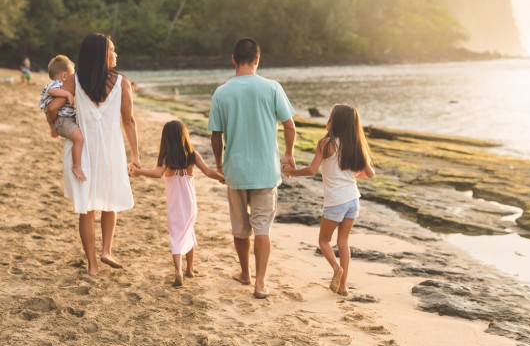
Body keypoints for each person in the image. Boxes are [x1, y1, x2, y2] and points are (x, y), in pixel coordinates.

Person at [208, 37, 296, 299]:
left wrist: (218, 163)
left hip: (236, 170)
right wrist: (289, 154)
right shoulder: (272, 88)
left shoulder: (222, 92)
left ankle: (244, 273)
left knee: (240, 228)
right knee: (262, 229)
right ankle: (260, 283)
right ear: (258, 59)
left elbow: (216, 135)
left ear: (233, 59)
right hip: (266, 171)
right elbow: (290, 126)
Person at [47, 34, 140, 276]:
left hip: (83, 150)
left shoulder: (75, 81)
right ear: (102, 54)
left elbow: (53, 108)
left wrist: (56, 127)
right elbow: (128, 120)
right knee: (110, 201)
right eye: (112, 50)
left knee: (86, 208)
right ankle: (106, 250)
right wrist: (136, 155)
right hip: (111, 150)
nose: (116, 54)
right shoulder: (122, 83)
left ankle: (92, 265)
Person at [282, 104, 375, 296]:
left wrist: (291, 172)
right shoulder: (355, 143)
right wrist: (356, 175)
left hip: (335, 201)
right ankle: (343, 287)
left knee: (324, 241)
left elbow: (311, 170)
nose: (328, 119)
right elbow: (370, 173)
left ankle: (336, 268)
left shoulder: (326, 144)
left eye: (331, 116)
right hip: (352, 199)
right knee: (343, 242)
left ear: (336, 121)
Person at [131, 120, 225, 287]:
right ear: (184, 135)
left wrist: (139, 171)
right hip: (190, 204)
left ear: (166, 138)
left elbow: (157, 173)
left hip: (175, 205)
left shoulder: (168, 158)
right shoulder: (192, 155)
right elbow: (208, 171)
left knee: (176, 235)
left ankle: (179, 271)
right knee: (188, 232)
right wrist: (222, 178)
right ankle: (190, 269)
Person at [38, 55, 86, 181]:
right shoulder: (56, 84)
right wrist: (67, 93)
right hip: (62, 120)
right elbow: (51, 92)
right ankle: (76, 166)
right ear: (65, 76)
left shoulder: (60, 84)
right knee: (79, 139)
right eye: (72, 75)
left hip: (63, 119)